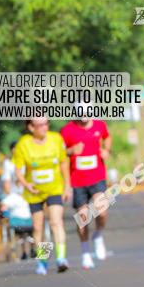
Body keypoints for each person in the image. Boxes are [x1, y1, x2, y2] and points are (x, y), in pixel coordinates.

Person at [13, 118, 72, 275]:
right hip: (34, 192)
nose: (44, 127)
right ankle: (43, 261)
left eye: (46, 123)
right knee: (38, 227)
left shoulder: (56, 139)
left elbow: (64, 163)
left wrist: (67, 186)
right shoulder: (23, 144)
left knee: (55, 221)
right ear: (31, 127)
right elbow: (18, 169)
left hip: (54, 188)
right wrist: (26, 184)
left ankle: (61, 259)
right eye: (40, 125)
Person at [61, 113, 111, 269]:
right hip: (77, 180)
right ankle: (86, 252)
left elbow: (107, 137)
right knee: (83, 218)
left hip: (97, 176)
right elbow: (60, 153)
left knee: (101, 210)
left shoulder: (99, 125)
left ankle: (98, 235)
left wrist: (106, 150)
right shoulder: (67, 130)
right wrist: (71, 150)